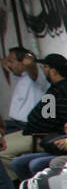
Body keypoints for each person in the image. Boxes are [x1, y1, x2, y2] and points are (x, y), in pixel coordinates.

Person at [1, 46, 47, 177]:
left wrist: (30, 62)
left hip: (26, 128)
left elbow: (32, 68)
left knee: (2, 152)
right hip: (13, 124)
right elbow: (7, 65)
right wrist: (8, 62)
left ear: (23, 62)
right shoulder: (20, 76)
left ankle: (18, 179)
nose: (9, 64)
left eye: (11, 61)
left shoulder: (36, 76)